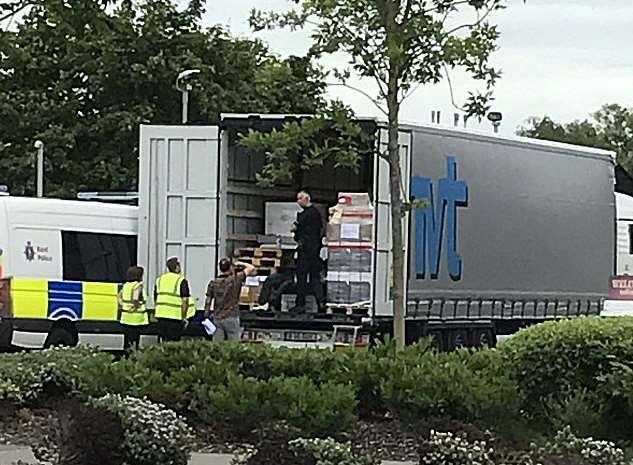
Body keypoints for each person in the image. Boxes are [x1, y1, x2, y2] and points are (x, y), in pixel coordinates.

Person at [204, 258, 256, 341]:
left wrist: (206, 315)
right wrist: (239, 263)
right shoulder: (235, 279)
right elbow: (251, 268)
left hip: (217, 318)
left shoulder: (213, 283)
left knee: (218, 346)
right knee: (233, 346)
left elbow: (208, 301)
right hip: (232, 316)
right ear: (230, 267)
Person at [291, 190, 325, 312]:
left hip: (306, 250)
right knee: (314, 276)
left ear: (307, 198)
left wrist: (296, 228)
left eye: (300, 198)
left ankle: (301, 304)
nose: (298, 201)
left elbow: (300, 230)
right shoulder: (314, 213)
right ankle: (320, 302)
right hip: (313, 250)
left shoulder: (308, 214)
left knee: (302, 277)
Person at [154, 257, 194, 342]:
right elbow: (185, 300)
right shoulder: (181, 280)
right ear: (177, 267)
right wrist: (184, 317)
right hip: (174, 317)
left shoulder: (159, 280)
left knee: (163, 341)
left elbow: (156, 297)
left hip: (161, 315)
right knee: (173, 342)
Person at [118, 266, 148, 351]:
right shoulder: (138, 285)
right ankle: (132, 358)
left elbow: (119, 296)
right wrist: (135, 306)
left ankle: (126, 357)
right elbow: (135, 298)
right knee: (134, 341)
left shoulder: (126, 285)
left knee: (127, 340)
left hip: (126, 317)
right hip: (135, 319)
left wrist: (123, 305)